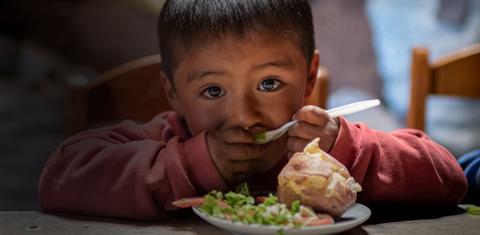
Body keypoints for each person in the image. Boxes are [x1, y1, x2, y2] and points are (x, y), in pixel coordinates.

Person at [38, 0, 467, 220]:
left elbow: (449, 177)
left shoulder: (324, 149)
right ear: (172, 92)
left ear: (310, 75)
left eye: (268, 84)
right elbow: (60, 176)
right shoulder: (168, 141)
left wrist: (349, 150)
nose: (244, 115)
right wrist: (191, 163)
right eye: (211, 91)